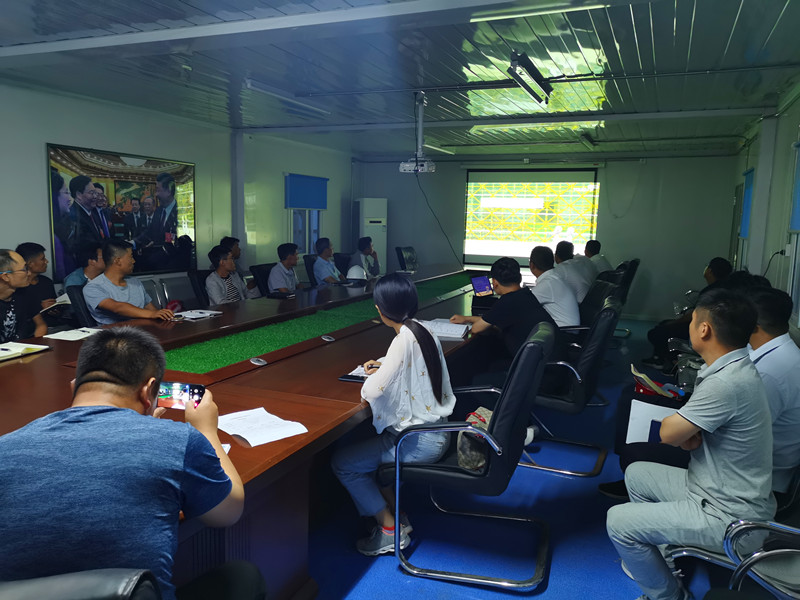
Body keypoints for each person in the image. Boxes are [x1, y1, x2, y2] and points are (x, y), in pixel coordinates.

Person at [0, 327, 266, 600]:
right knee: (242, 576)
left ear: (73, 386)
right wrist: (206, 431)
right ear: (149, 390)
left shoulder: (4, 447)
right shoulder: (178, 440)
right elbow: (228, 512)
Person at [606, 288, 775, 600]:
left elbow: (669, 433)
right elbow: (689, 437)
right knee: (638, 474)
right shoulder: (732, 367)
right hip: (711, 488)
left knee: (617, 521)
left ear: (704, 329)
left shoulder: (725, 382)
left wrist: (680, 431)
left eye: (692, 320)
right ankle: (663, 562)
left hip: (729, 516)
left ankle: (669, 596)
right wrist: (685, 433)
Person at [331, 274, 456, 556]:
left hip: (417, 441)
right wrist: (384, 365)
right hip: (438, 431)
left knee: (344, 463)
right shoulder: (422, 329)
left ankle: (390, 530)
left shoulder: (402, 340)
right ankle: (400, 515)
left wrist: (375, 376)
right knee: (367, 444)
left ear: (380, 310)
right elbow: (408, 361)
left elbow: (373, 392)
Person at [747, 287, 800, 499]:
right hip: (767, 471)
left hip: (758, 485)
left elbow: (742, 436)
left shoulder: (768, 373)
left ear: (753, 325)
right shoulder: (787, 353)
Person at [450, 257, 555, 360]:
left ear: (495, 283)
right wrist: (466, 319)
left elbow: (476, 328)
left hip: (534, 365)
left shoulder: (507, 301)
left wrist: (471, 321)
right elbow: (490, 320)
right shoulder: (525, 294)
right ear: (519, 278)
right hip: (546, 358)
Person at [643, 257, 733, 370]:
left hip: (701, 330)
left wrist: (675, 322)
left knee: (656, 333)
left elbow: (696, 315)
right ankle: (661, 357)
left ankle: (668, 361)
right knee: (664, 324)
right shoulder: (724, 288)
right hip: (711, 329)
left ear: (709, 270)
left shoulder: (711, 292)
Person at [83, 240, 174, 324]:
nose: (133, 261)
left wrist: (162, 315)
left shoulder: (135, 282)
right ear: (118, 261)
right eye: (131, 257)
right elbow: (117, 308)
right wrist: (151, 314)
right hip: (115, 334)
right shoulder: (93, 287)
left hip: (143, 329)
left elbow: (152, 310)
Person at [529, 245, 580, 328]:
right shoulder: (555, 278)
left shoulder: (548, 283)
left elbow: (523, 303)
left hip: (564, 332)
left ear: (531, 265)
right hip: (568, 329)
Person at [0, 249, 43, 343]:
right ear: (6, 277)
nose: (29, 273)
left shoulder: (25, 291)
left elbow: (41, 325)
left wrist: (36, 347)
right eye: (24, 269)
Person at [13, 242, 55, 336]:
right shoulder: (17, 288)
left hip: (52, 326)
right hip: (28, 331)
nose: (46, 261)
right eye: (42, 259)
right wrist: (40, 307)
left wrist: (54, 309)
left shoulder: (47, 282)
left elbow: (42, 324)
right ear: (30, 263)